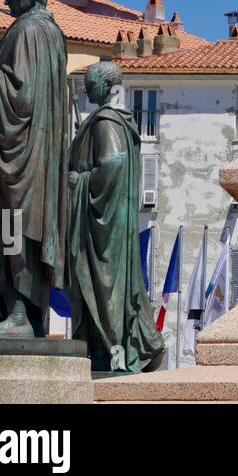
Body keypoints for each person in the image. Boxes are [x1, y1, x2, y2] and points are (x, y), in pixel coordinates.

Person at [0, 0, 71, 338]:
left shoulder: (30, 30)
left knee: (10, 224)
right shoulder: (50, 32)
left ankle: (19, 314)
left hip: (22, 157)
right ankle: (19, 314)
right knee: (7, 225)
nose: (6, 0)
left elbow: (21, 96)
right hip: (31, 152)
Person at [66, 61, 164, 371]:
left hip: (102, 224)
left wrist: (78, 180)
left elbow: (113, 163)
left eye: (91, 83)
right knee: (111, 285)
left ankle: (110, 349)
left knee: (100, 284)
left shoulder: (105, 121)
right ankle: (116, 348)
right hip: (115, 220)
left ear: (107, 87)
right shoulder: (123, 122)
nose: (86, 88)